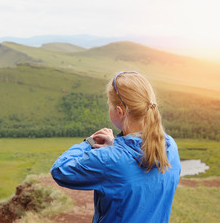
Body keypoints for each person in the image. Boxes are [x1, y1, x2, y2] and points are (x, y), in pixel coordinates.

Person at [51, 71, 181, 223]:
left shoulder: (109, 160)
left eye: (109, 106)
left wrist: (90, 142)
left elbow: (60, 170)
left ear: (119, 112)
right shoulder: (170, 146)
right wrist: (115, 147)